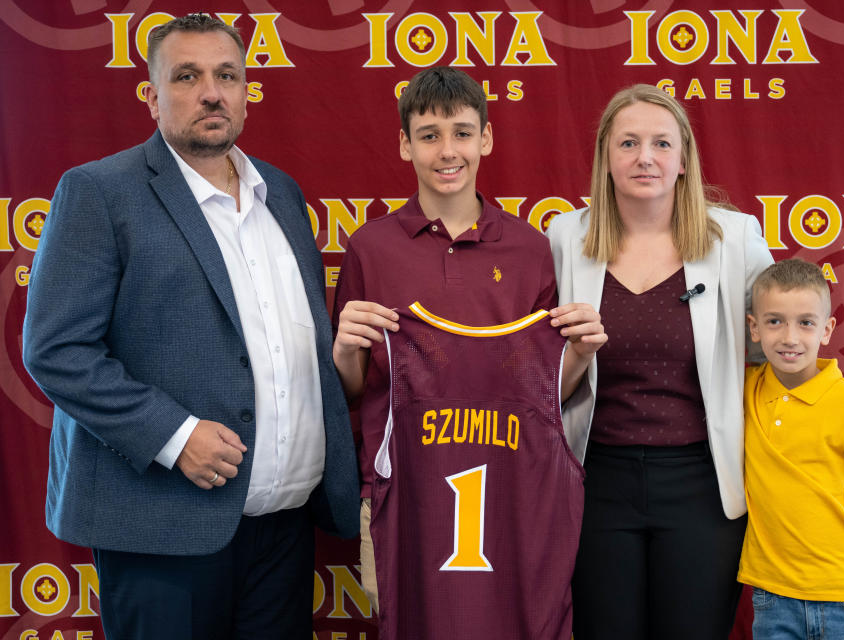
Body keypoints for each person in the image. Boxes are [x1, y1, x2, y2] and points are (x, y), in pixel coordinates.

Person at [21, 14, 358, 639]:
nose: (212, 91)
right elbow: (57, 349)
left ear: (246, 90)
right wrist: (175, 437)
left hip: (283, 527)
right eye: (188, 76)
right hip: (162, 529)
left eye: (227, 75)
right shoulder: (100, 192)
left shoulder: (281, 194)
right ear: (151, 97)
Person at [331, 66, 605, 633]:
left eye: (461, 132)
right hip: (400, 491)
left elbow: (546, 393)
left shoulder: (530, 248)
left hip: (511, 488)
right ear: (405, 144)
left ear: (485, 138)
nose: (446, 150)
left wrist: (579, 354)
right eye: (429, 135)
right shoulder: (370, 247)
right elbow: (355, 392)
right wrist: (344, 353)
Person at [546, 83, 774, 638]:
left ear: (684, 158)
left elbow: (783, 354)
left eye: (660, 143)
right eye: (627, 143)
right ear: (605, 157)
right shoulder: (562, 238)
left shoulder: (736, 238)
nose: (644, 157)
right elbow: (539, 375)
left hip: (702, 484)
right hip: (596, 482)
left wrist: (826, 457)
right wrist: (575, 354)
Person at [739, 258, 844, 640]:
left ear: (827, 329)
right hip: (773, 596)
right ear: (753, 327)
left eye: (806, 322)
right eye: (775, 321)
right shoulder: (744, 391)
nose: (790, 337)